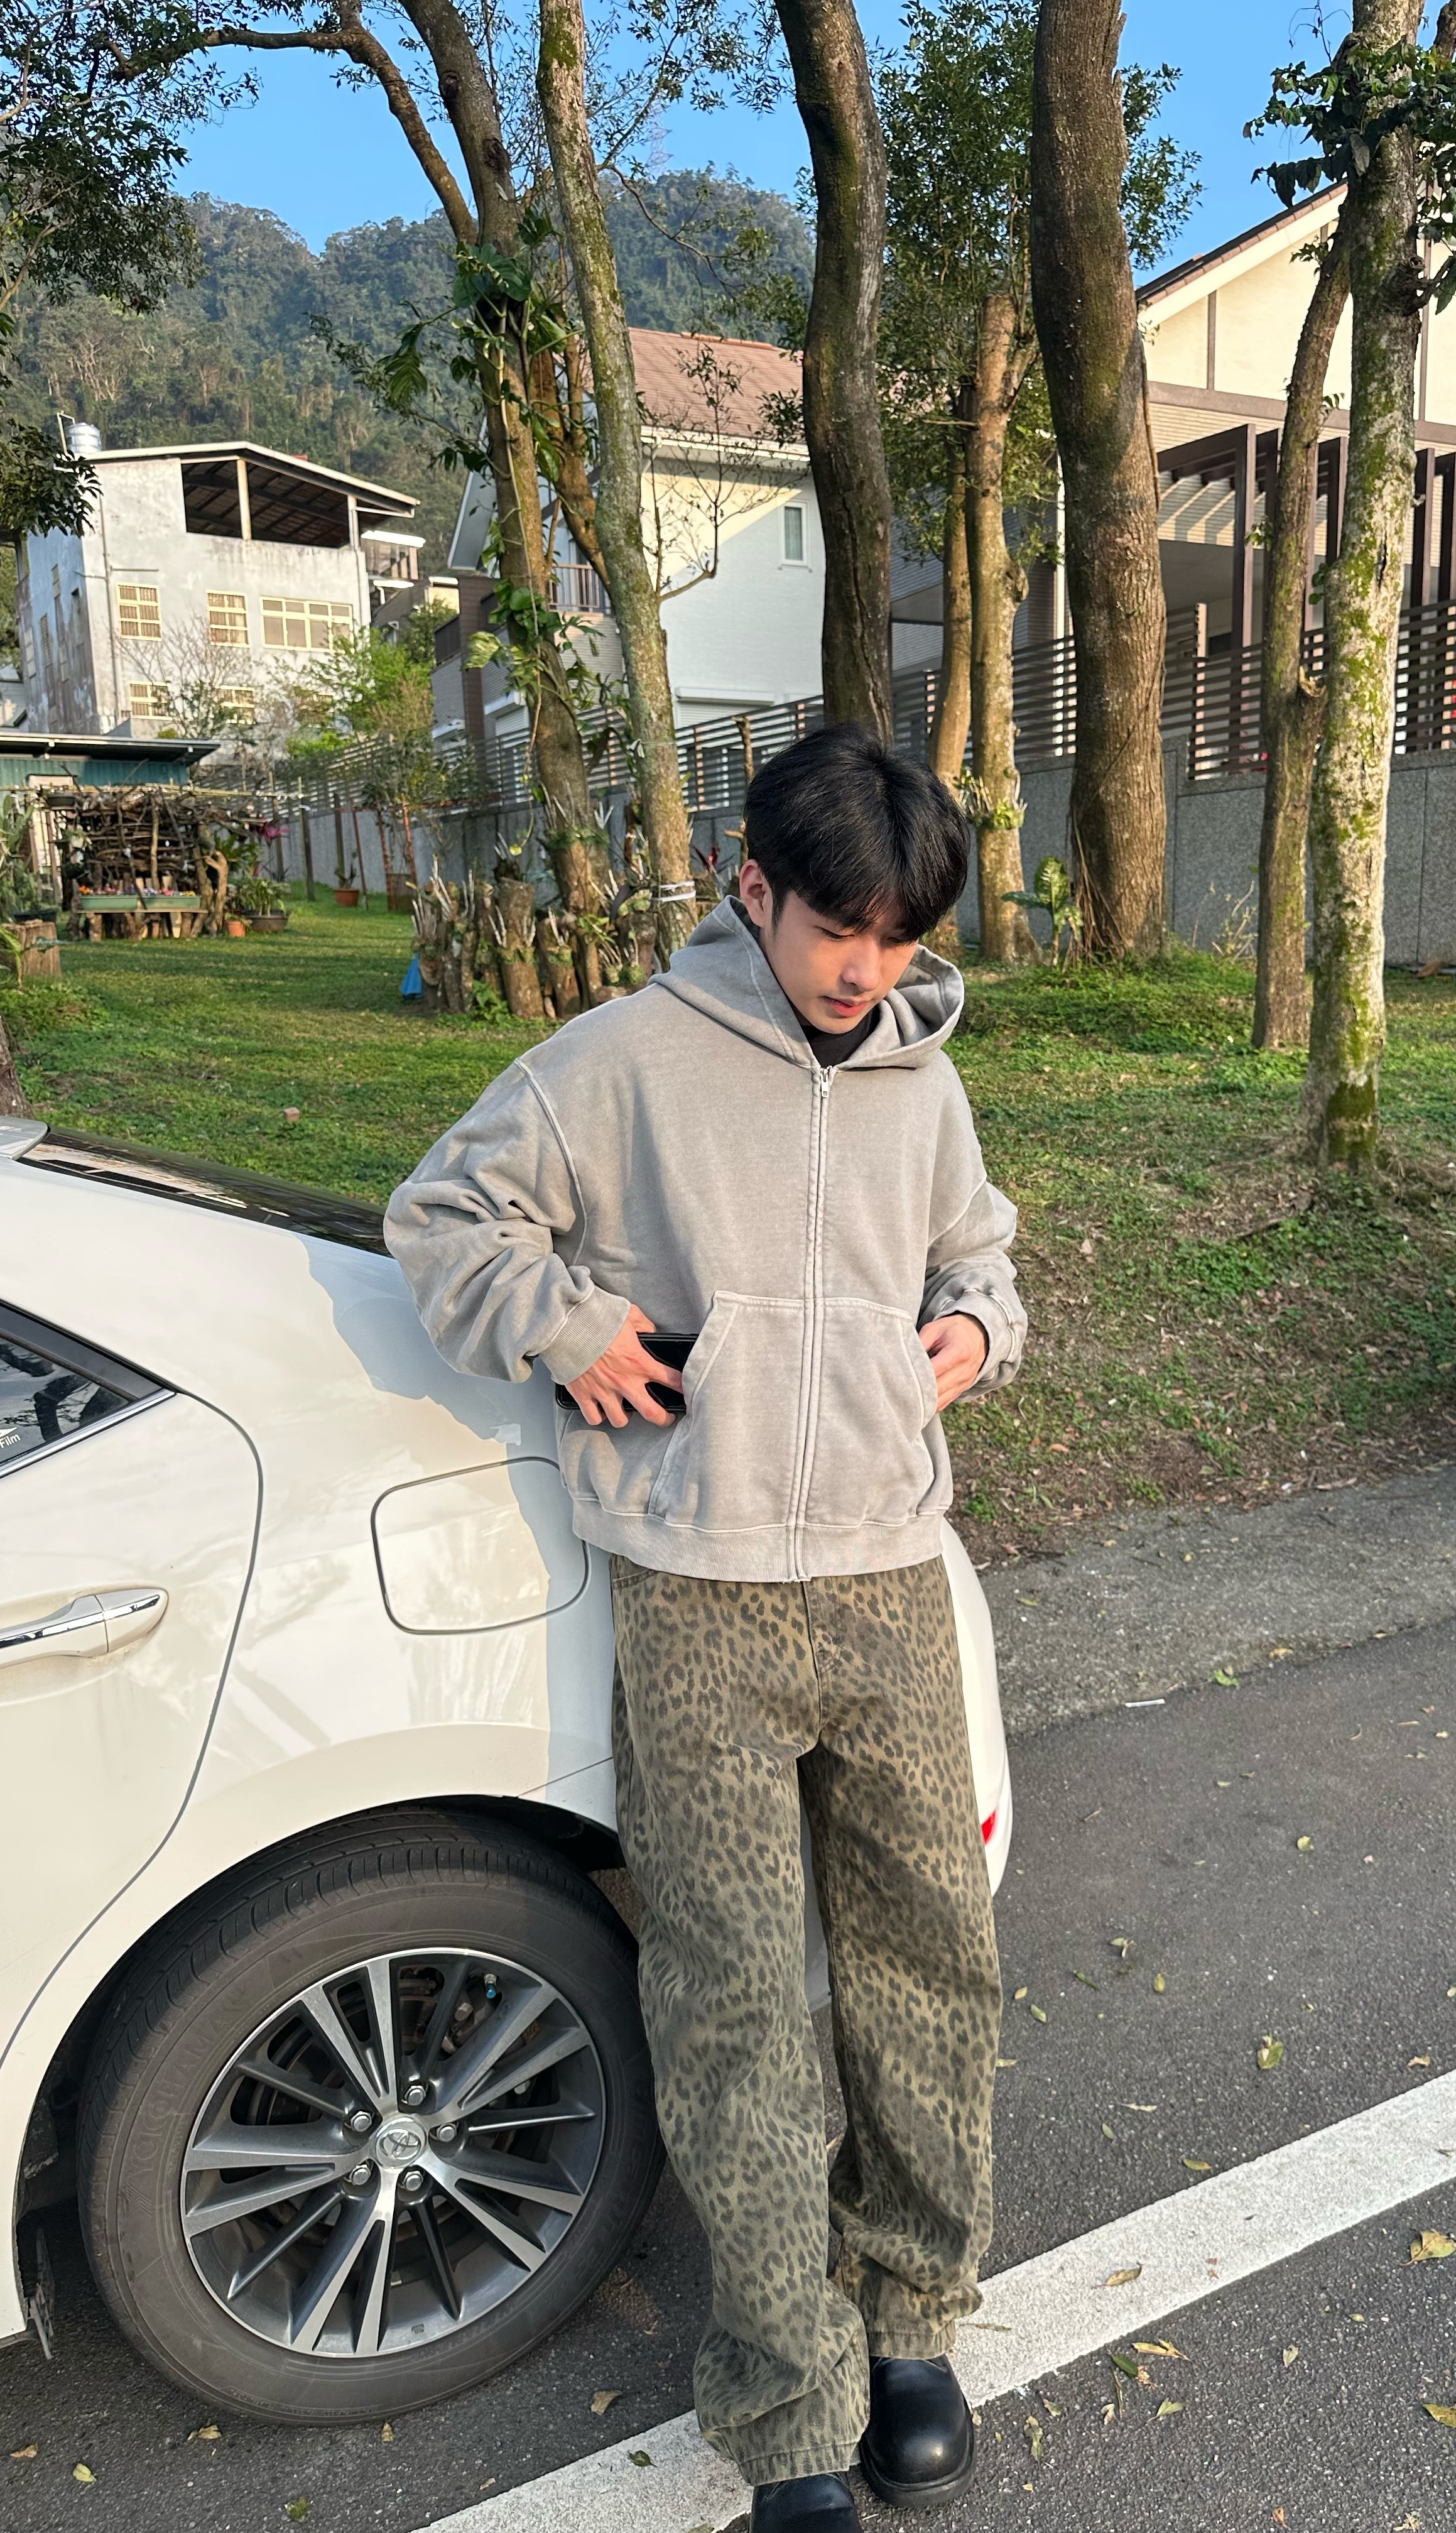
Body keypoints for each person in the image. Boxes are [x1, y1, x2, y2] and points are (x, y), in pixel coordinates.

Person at [386, 724, 1025, 2530]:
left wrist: (975, 1332)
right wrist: (568, 1326)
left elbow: (979, 1256)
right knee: (735, 1996)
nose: (866, 969)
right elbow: (445, 1216)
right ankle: (790, 2400)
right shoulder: (621, 1062)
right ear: (755, 890)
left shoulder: (925, 1082)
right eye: (839, 928)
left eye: (899, 939)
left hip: (890, 1581)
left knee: (931, 1962)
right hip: (699, 1598)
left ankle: (912, 2319)